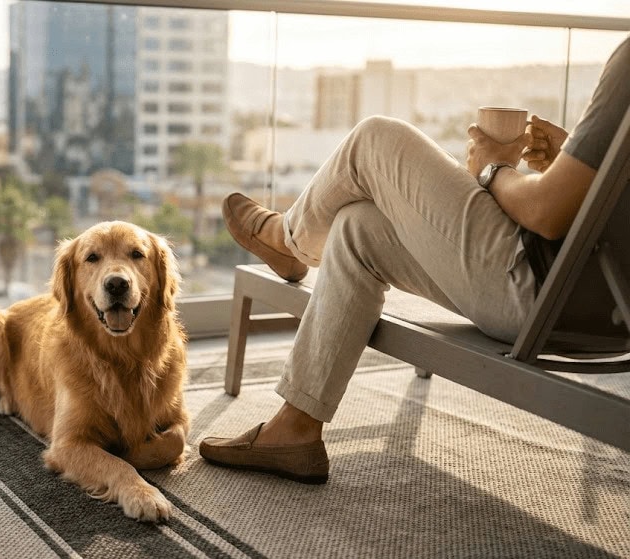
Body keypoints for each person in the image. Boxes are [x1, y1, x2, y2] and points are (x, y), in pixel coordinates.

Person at [198, 35, 630, 485]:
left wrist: (492, 169)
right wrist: (571, 164)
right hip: (603, 310)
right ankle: (296, 427)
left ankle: (286, 240)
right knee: (356, 226)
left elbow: (546, 212)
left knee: (376, 140)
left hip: (541, 291)